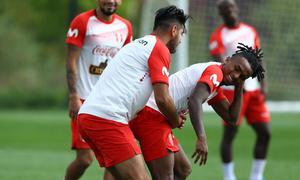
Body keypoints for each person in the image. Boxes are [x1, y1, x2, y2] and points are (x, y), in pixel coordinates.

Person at [77, 5, 190, 180]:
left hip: (92, 117)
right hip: (107, 119)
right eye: (182, 33)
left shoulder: (138, 44)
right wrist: (175, 119)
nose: (181, 39)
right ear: (174, 30)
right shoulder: (159, 48)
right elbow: (162, 99)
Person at [129, 43, 265, 180]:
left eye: (242, 76)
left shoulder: (215, 85)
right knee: (165, 177)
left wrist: (239, 86)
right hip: (150, 115)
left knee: (183, 169)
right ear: (227, 59)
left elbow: (232, 118)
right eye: (237, 68)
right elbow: (195, 101)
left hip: (154, 116)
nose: (236, 75)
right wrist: (201, 138)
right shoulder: (215, 72)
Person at [64, 0, 132, 179]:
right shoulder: (82, 21)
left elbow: (125, 66)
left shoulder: (125, 27)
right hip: (84, 100)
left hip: (111, 102)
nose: (111, 1)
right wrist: (73, 96)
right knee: (85, 159)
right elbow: (71, 61)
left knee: (114, 159)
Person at [208, 1, 271, 180]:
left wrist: (263, 84)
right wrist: (238, 85)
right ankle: (229, 177)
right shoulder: (217, 36)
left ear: (237, 8)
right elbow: (224, 65)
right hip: (232, 91)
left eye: (232, 6)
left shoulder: (250, 30)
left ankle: (256, 176)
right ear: (221, 13)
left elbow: (258, 57)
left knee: (265, 132)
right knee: (230, 133)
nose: (230, 10)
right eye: (225, 8)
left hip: (254, 91)